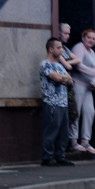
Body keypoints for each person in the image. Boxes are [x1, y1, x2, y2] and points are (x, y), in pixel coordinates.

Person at [39, 38, 75, 167]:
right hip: (52, 103)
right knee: (51, 130)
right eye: (59, 47)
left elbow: (70, 80)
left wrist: (63, 78)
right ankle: (47, 157)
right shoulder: (45, 64)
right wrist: (63, 78)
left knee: (63, 132)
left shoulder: (60, 66)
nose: (61, 50)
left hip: (63, 103)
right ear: (51, 49)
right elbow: (57, 78)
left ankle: (60, 156)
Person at [69, 28, 95, 155]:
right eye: (89, 37)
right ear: (83, 38)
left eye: (94, 38)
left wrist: (94, 81)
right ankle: (73, 141)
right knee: (76, 112)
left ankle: (85, 141)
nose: (91, 40)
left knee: (90, 112)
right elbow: (79, 66)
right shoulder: (79, 47)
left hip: (88, 87)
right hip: (77, 84)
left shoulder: (92, 53)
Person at [58, 23, 80, 128]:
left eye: (68, 34)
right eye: (65, 33)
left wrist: (68, 62)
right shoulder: (57, 48)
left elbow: (77, 60)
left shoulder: (65, 48)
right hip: (60, 83)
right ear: (59, 33)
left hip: (68, 83)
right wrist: (68, 63)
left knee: (71, 111)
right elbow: (67, 66)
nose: (68, 36)